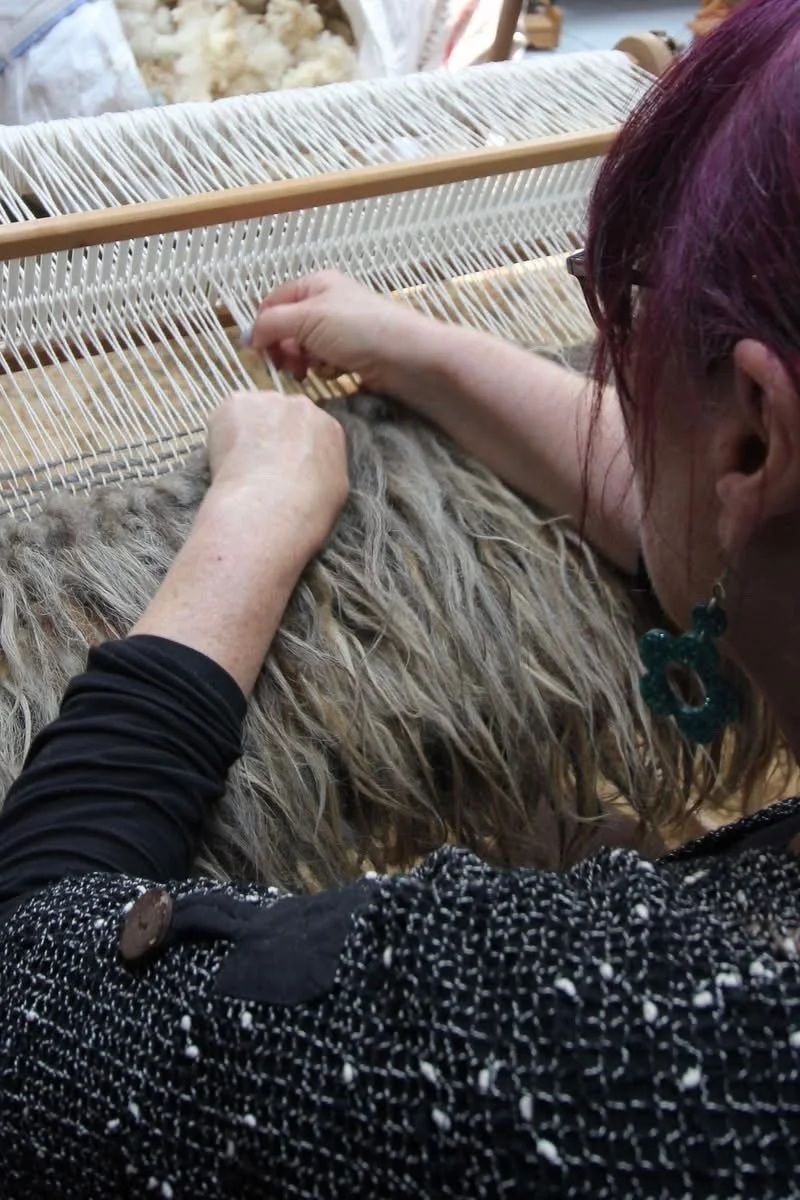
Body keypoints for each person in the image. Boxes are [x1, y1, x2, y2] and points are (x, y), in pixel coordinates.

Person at [2, 0, 800, 1193]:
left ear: (752, 439)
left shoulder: (607, 1039)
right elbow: (680, 507)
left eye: (627, 318)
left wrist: (255, 516)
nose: (610, 365)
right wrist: (416, 348)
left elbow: (34, 1014)